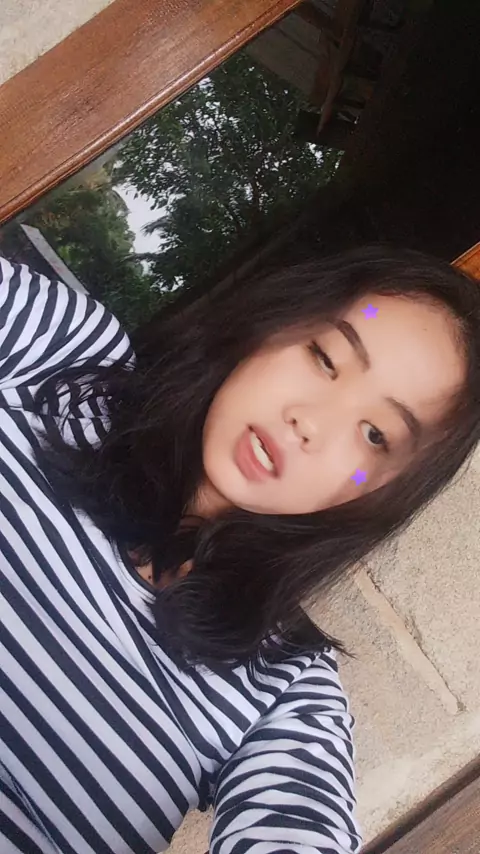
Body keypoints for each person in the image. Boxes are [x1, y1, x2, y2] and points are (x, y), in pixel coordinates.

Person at [0, 245, 479, 854]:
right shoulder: (65, 363)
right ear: (272, 321)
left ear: (380, 494)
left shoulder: (284, 689)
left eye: (375, 434)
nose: (310, 422)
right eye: (325, 357)